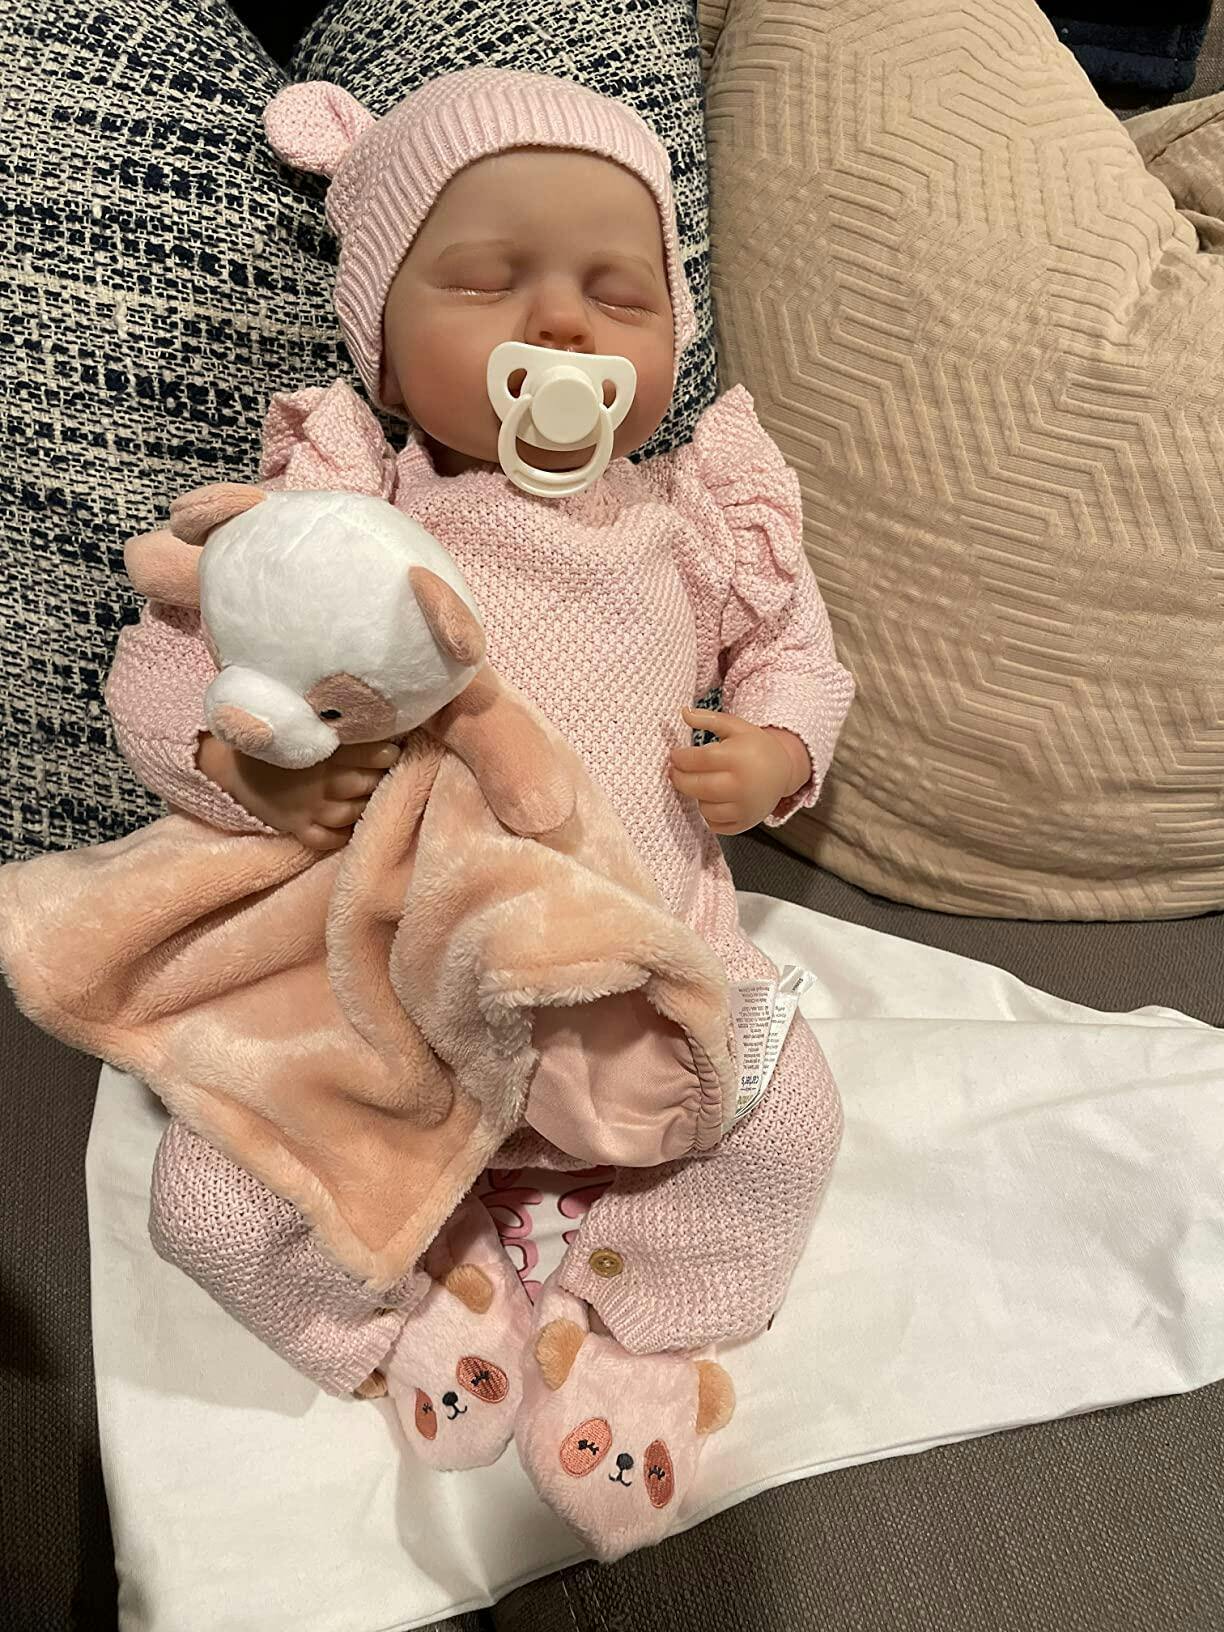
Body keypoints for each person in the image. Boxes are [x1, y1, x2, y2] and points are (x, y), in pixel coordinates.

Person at [104, 66, 855, 1559]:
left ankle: (630, 1319)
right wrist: (255, 767)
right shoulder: (344, 518)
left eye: (616, 294)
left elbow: (799, 650)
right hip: (395, 994)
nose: (562, 326)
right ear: (384, 355)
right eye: (488, 282)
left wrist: (777, 749)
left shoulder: (693, 518)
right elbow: (174, 665)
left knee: (794, 1124)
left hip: (641, 980)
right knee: (211, 1199)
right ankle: (408, 1297)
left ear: (672, 336)